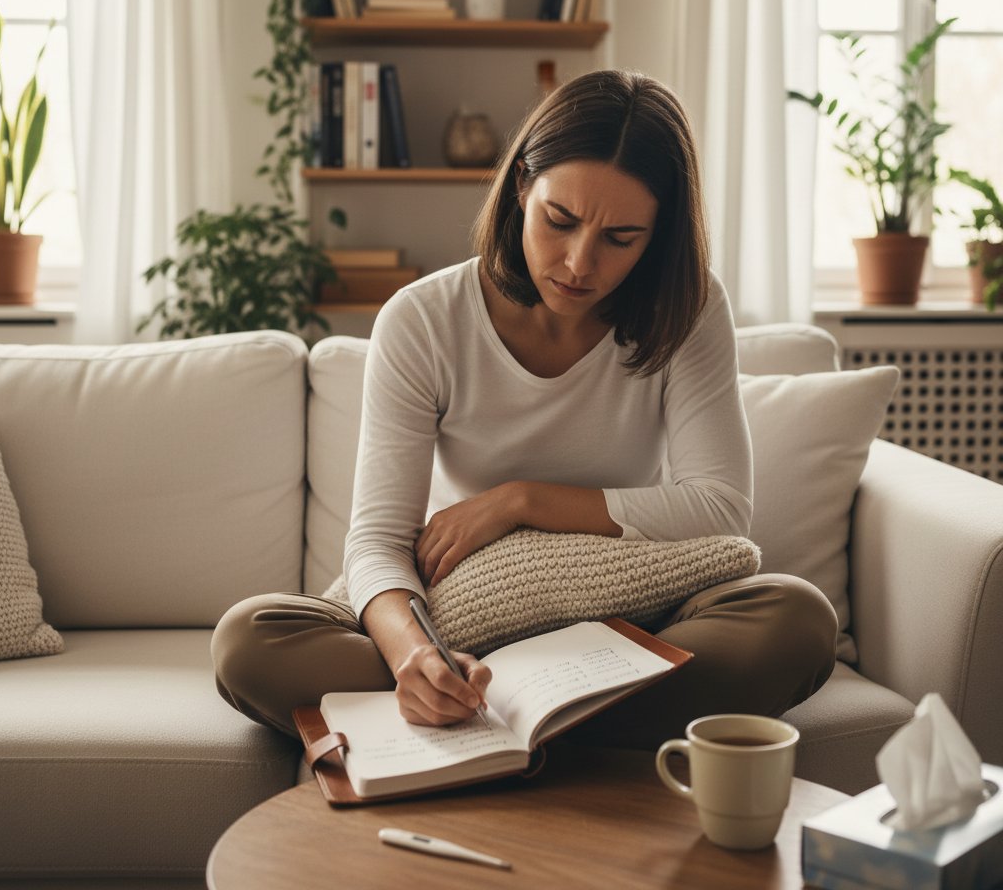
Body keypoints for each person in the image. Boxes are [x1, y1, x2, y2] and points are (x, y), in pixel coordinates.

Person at [212, 70, 837, 748]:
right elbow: (378, 543)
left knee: (797, 620)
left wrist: (518, 502)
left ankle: (508, 735)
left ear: (657, 238)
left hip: (629, 621)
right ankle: (561, 729)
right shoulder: (424, 319)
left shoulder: (687, 309)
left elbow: (720, 510)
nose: (578, 263)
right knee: (249, 642)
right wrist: (414, 658)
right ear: (520, 190)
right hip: (464, 621)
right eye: (559, 221)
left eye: (620, 238)